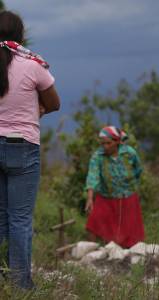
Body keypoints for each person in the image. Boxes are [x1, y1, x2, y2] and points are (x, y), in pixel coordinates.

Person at [0, 11, 60, 289]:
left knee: (1, 217)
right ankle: (21, 284)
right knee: (20, 220)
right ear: (20, 35)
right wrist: (35, 109)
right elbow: (54, 102)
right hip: (21, 146)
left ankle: (3, 279)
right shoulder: (32, 64)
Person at [85, 126, 145, 248]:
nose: (105, 146)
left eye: (109, 143)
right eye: (103, 143)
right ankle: (92, 251)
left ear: (117, 142)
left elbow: (138, 169)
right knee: (94, 224)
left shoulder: (129, 153)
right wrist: (90, 198)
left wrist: (132, 184)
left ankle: (129, 255)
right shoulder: (98, 157)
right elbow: (93, 176)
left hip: (128, 196)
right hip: (106, 196)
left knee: (129, 232)